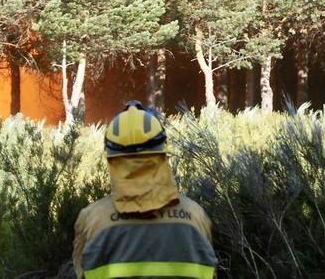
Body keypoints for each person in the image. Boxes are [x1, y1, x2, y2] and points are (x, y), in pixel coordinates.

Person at [73, 101, 218, 279]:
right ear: (163, 152)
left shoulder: (92, 220)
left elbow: (81, 273)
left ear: (110, 158)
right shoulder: (195, 217)